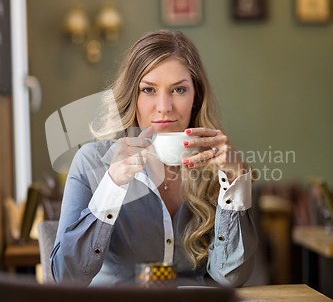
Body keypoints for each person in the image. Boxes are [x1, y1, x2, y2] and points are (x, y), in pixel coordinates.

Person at [51, 29, 257, 287]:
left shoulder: (218, 165)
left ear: (196, 98)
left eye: (179, 89)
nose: (164, 107)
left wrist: (234, 182)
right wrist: (112, 185)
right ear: (132, 97)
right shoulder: (92, 161)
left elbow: (231, 278)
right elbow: (66, 278)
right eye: (149, 89)